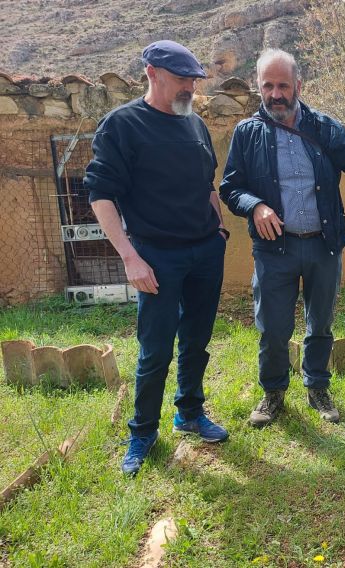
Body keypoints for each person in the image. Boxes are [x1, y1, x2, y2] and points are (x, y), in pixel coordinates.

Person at [219, 49, 345, 427]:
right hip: (274, 247)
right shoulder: (248, 134)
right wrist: (256, 206)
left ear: (298, 85)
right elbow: (230, 187)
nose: (276, 93)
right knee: (274, 327)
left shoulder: (324, 127)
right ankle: (273, 393)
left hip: (322, 244)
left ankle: (317, 387)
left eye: (282, 85)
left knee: (321, 322)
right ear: (258, 87)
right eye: (268, 86)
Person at [85, 40, 230, 476]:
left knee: (197, 340)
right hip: (156, 257)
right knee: (154, 350)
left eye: (194, 80)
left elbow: (208, 183)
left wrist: (219, 228)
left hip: (205, 251)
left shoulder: (195, 125)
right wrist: (130, 257)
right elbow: (101, 195)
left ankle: (188, 413)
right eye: (182, 79)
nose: (190, 87)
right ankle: (143, 432)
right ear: (152, 73)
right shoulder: (122, 126)